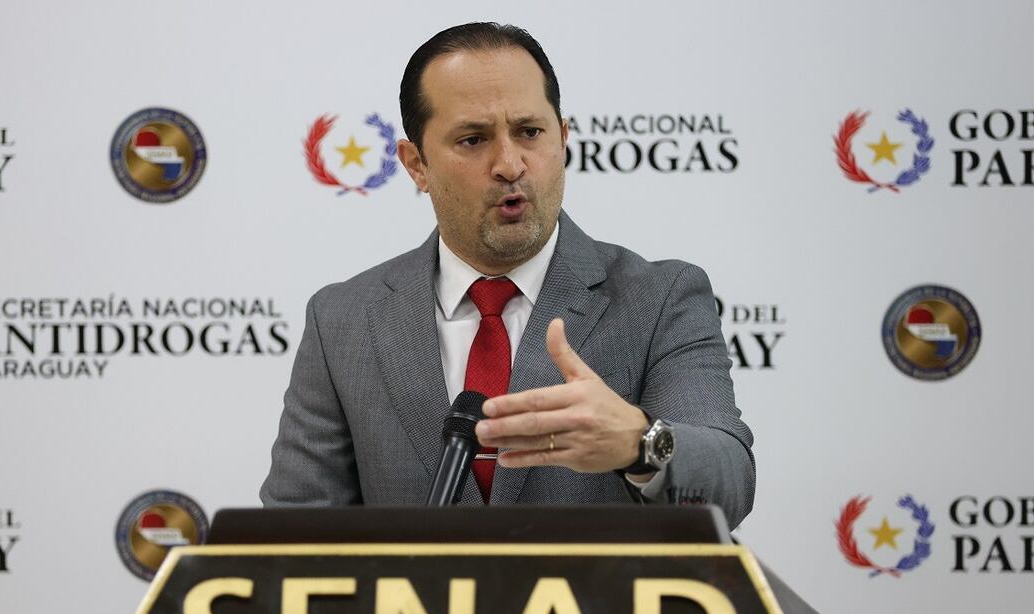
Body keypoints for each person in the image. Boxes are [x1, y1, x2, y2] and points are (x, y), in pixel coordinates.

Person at [260, 22, 755, 529]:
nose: (510, 164)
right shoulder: (343, 319)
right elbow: (295, 529)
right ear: (416, 165)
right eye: (473, 139)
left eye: (529, 132)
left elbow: (728, 486)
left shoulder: (660, 298)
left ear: (563, 139)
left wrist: (638, 443)